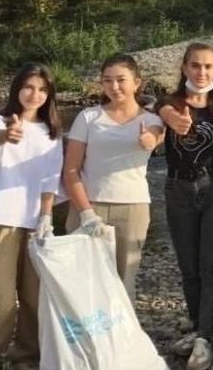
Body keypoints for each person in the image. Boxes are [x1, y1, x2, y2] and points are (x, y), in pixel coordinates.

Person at [156, 42, 213, 370]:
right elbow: (159, 110)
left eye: (208, 66)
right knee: (188, 264)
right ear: (184, 68)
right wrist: (169, 117)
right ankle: (196, 325)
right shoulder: (170, 103)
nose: (201, 71)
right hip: (178, 187)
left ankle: (205, 337)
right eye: (195, 65)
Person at [0, 63, 64, 370]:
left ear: (49, 94)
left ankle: (26, 354)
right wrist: (5, 136)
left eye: (41, 89)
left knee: (34, 295)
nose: (34, 94)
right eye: (28, 86)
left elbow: (52, 179)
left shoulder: (52, 132)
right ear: (17, 88)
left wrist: (47, 216)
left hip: (35, 221)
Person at [63, 53, 164, 305]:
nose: (114, 87)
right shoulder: (88, 117)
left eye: (121, 80)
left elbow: (155, 136)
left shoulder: (151, 120)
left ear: (137, 82)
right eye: (107, 81)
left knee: (123, 280)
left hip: (132, 208)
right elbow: (71, 170)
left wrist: (149, 141)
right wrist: (86, 212)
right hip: (88, 206)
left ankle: (122, 341)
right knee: (83, 280)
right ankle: (84, 340)